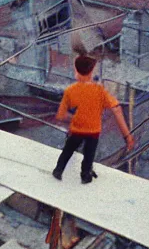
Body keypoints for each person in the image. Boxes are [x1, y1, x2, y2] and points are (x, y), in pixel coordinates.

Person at [53, 54, 134, 184]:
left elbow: (61, 115)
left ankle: (58, 170)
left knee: (67, 151)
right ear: (91, 72)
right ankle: (85, 175)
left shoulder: (70, 90)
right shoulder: (100, 91)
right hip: (93, 131)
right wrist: (127, 136)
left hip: (77, 129)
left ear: (76, 71)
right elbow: (116, 109)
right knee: (89, 155)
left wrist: (75, 118)